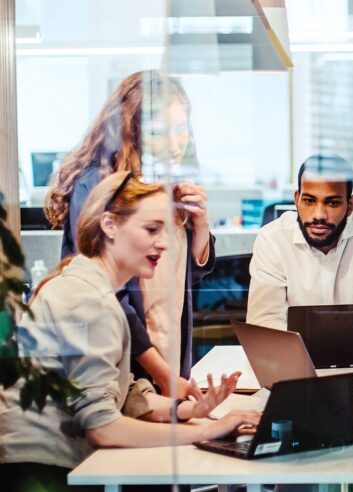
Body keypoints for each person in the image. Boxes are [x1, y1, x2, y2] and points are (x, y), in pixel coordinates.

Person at [1, 173, 260, 492]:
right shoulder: (87, 300)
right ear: (109, 226)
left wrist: (190, 409)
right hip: (43, 472)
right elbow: (103, 428)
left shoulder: (78, 287)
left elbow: (110, 389)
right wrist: (208, 430)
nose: (164, 243)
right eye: (151, 229)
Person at [44, 70, 215, 398]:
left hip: (169, 357)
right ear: (131, 130)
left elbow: (185, 276)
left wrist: (202, 226)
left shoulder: (168, 183)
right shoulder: (97, 186)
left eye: (181, 130)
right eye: (159, 132)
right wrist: (160, 373)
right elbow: (106, 291)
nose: (174, 144)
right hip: (126, 362)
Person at [246, 154, 353, 329]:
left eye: (332, 203)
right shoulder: (272, 238)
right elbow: (264, 325)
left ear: (350, 205)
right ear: (296, 200)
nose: (319, 215)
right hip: (290, 354)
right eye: (309, 201)